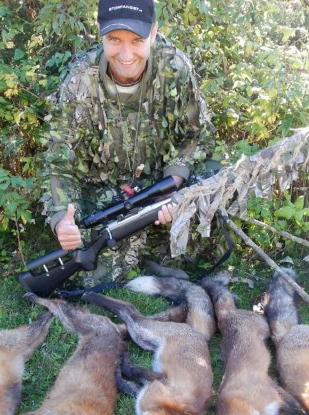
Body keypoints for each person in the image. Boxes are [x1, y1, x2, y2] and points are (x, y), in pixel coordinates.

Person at [39, 0, 216, 287]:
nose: (125, 54)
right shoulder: (79, 81)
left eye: (136, 40)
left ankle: (158, 250)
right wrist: (62, 219)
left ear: (154, 32)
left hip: (162, 185)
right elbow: (58, 162)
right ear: (100, 34)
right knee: (90, 271)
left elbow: (197, 135)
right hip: (103, 197)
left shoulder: (174, 67)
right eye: (114, 40)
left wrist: (174, 181)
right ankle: (147, 254)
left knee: (212, 184)